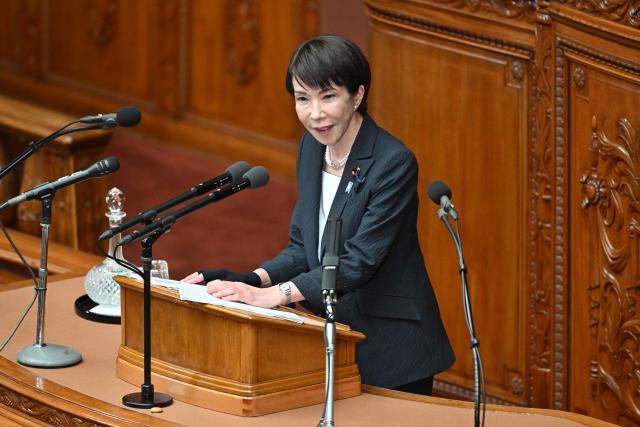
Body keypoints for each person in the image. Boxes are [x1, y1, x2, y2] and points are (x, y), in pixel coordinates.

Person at [182, 35, 454, 395]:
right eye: (302, 98)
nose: (315, 113)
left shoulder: (393, 163)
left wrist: (273, 295)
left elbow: (358, 261)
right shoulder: (312, 148)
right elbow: (303, 248)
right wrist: (252, 280)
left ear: (357, 96)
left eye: (328, 96)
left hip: (392, 346)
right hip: (334, 338)